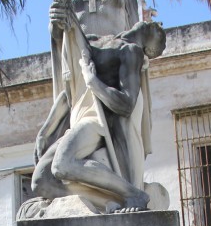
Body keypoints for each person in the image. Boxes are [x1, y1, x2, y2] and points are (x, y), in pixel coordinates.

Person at [33, 21, 166, 211]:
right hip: (79, 114)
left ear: (147, 48)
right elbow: (69, 93)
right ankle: (107, 202)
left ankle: (133, 194)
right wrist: (45, 132)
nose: (153, 26)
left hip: (98, 120)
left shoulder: (131, 51)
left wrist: (92, 81)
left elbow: (126, 104)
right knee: (40, 181)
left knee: (62, 164)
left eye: (154, 48)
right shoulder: (92, 41)